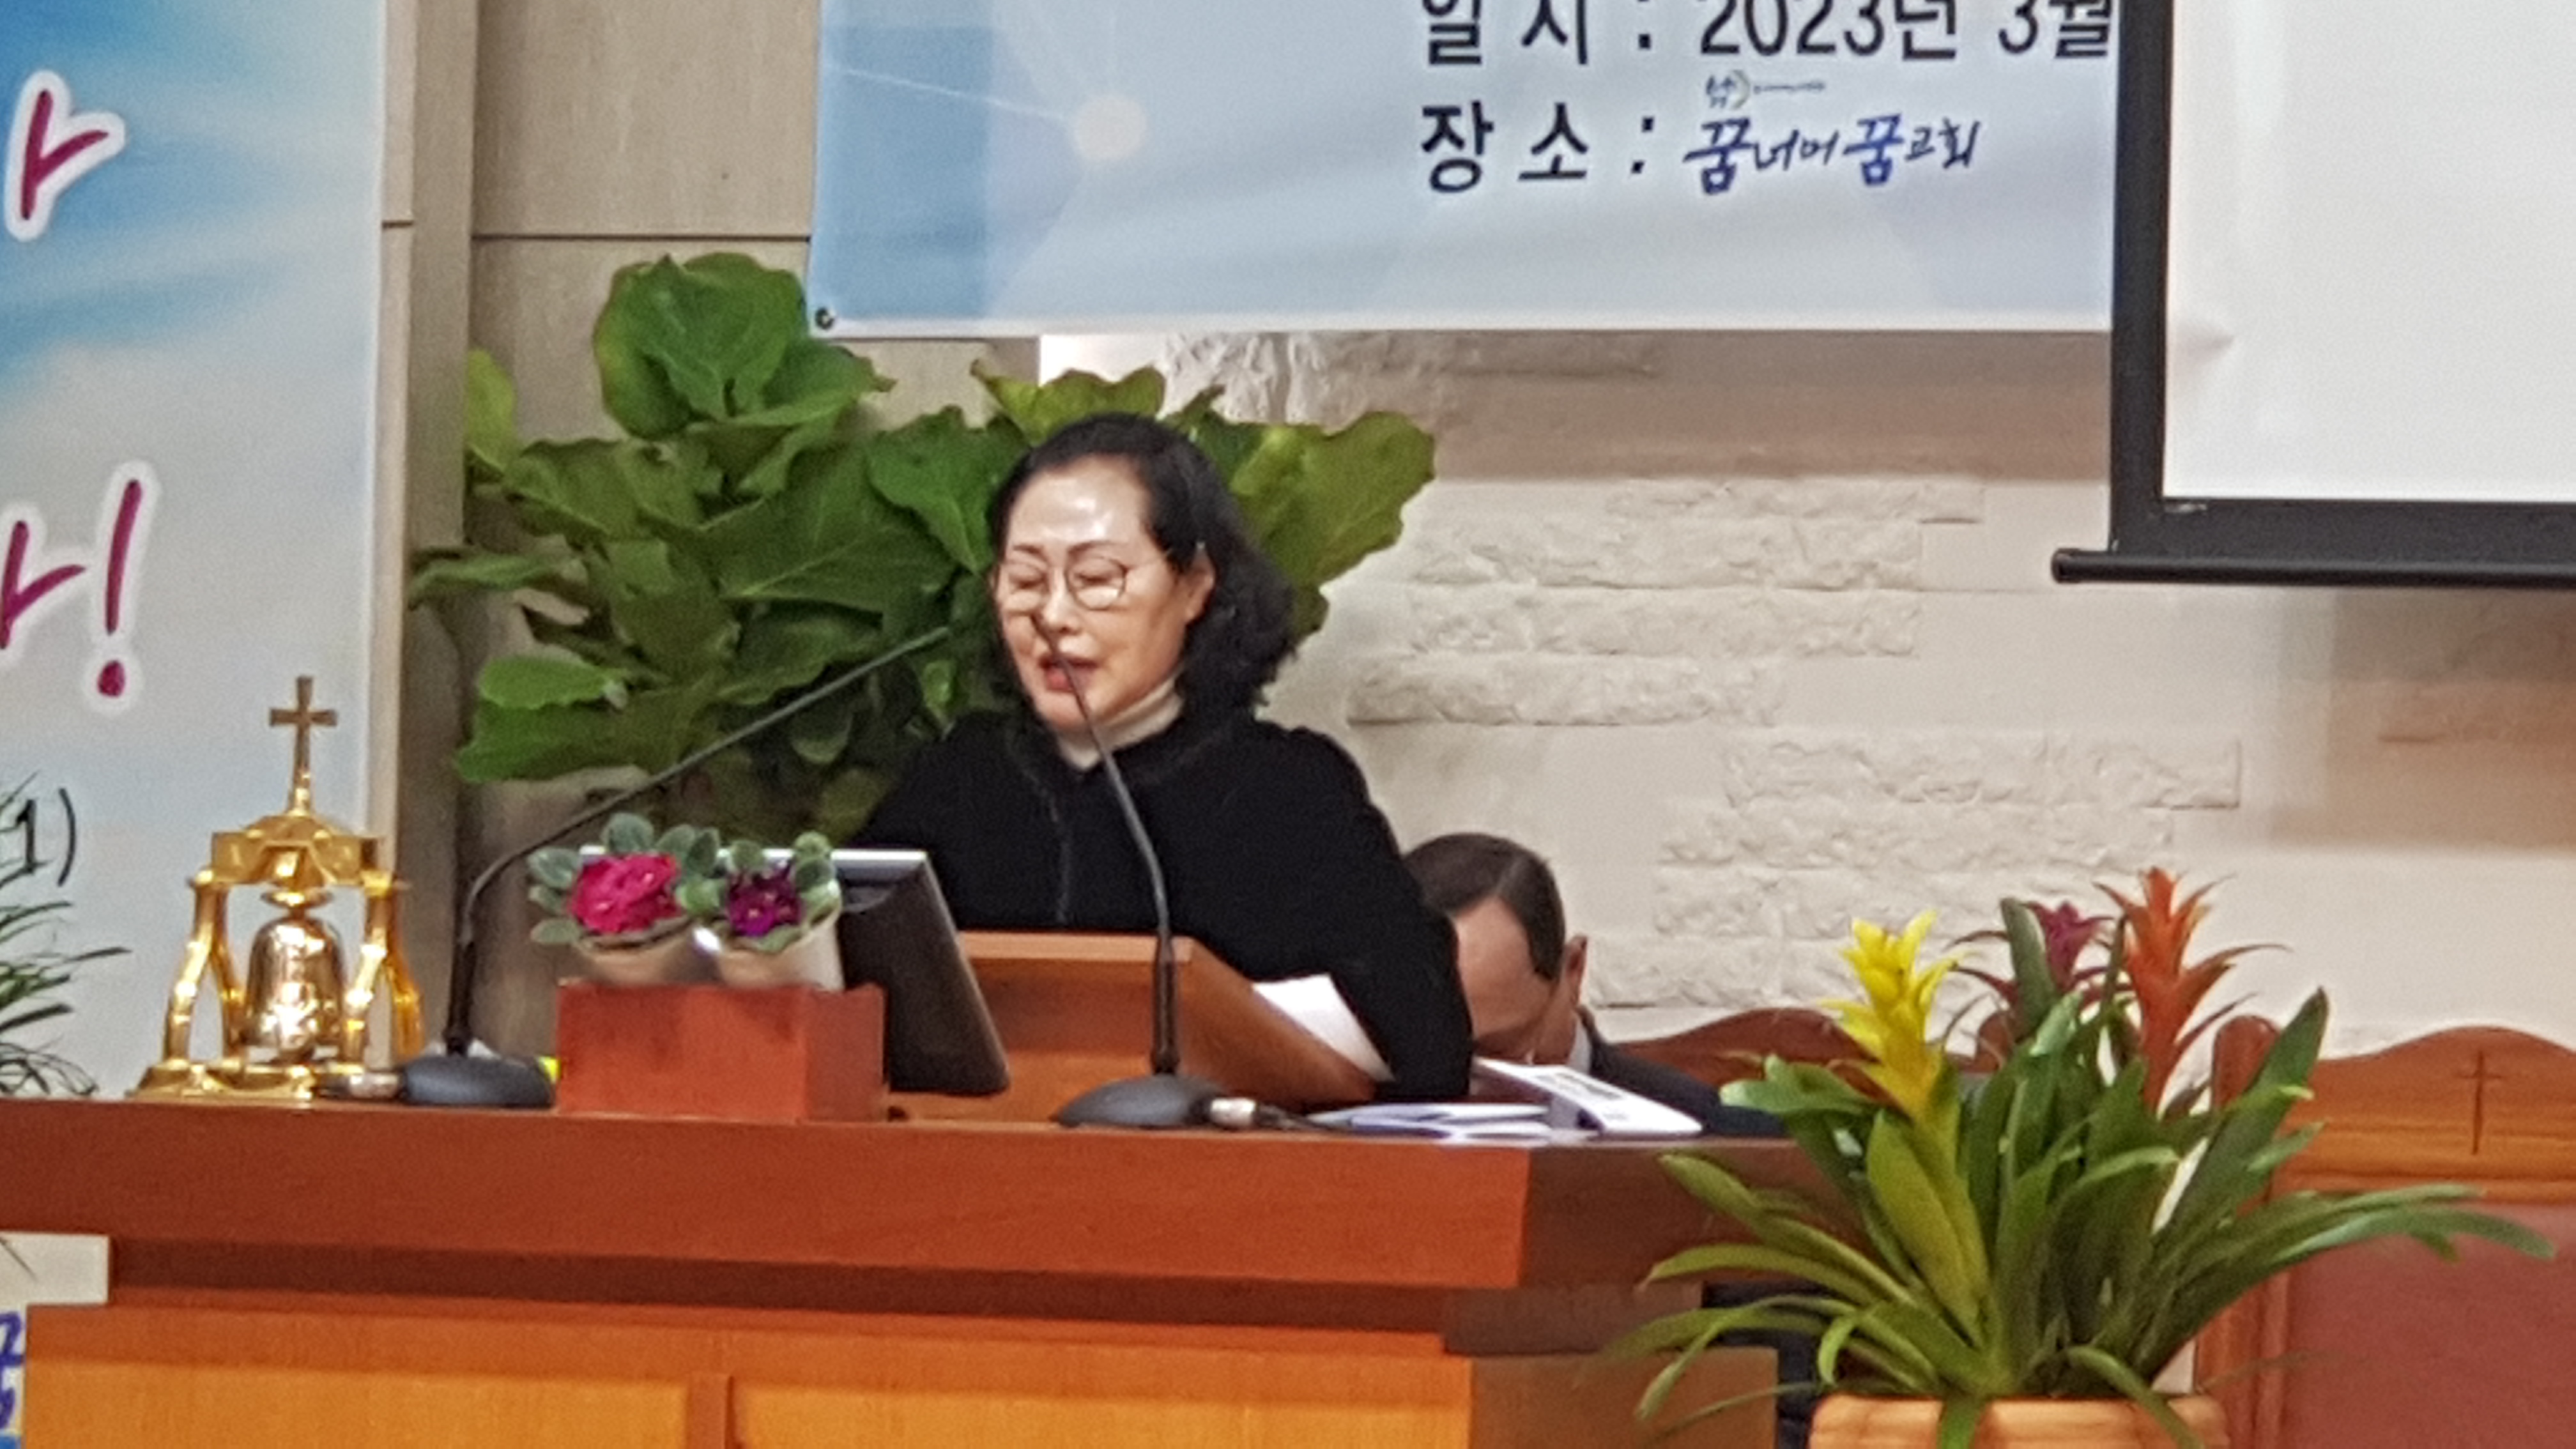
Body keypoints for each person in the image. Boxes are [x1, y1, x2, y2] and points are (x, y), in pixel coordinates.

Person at [858, 411, 1473, 1101]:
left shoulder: (1286, 793)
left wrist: (1220, 1022)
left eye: (1096, 578)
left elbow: (1424, 1038)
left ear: (1193, 585)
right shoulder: (955, 785)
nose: (1053, 616)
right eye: (1026, 580)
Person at [1402, 831, 1779, 1137]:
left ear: (1573, 971)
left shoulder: (1709, 1136)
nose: (1451, 1082)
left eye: (1495, 1050)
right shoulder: (1370, 1110)